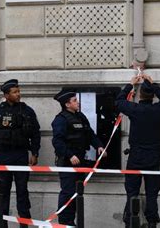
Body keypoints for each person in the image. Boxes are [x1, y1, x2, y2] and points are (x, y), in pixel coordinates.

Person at [0, 79, 41, 227]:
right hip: (4, 155)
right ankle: (2, 224)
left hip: (21, 155)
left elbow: (36, 133)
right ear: (6, 95)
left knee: (22, 191)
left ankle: (24, 224)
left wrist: (34, 153)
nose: (18, 94)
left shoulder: (27, 110)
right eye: (15, 92)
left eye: (18, 91)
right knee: (3, 192)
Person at [116, 74, 160, 228]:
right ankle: (152, 223)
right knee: (152, 194)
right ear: (152, 96)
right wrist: (154, 85)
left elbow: (119, 102)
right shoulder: (158, 110)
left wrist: (130, 85)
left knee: (131, 192)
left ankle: (129, 222)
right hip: (153, 158)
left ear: (140, 94)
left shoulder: (135, 109)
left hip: (136, 157)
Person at [52, 89, 106, 226]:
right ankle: (64, 222)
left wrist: (99, 146)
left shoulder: (80, 116)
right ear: (67, 104)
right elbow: (57, 142)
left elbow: (90, 134)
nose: (78, 102)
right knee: (68, 193)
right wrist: (69, 155)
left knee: (77, 194)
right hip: (67, 163)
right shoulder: (61, 120)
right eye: (75, 100)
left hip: (80, 161)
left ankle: (72, 222)